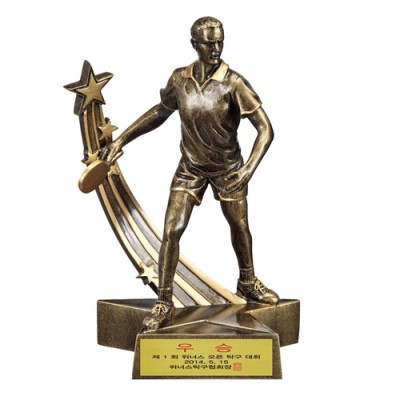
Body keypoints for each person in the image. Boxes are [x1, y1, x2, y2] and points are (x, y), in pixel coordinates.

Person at [103, 16, 279, 331]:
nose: (216, 48)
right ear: (194, 44)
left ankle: (248, 282)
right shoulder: (180, 79)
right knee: (172, 230)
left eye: (220, 41)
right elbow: (160, 112)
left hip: (229, 169)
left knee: (239, 226)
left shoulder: (234, 82)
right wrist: (120, 140)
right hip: (191, 167)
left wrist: (248, 170)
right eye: (209, 43)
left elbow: (266, 129)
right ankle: (164, 301)